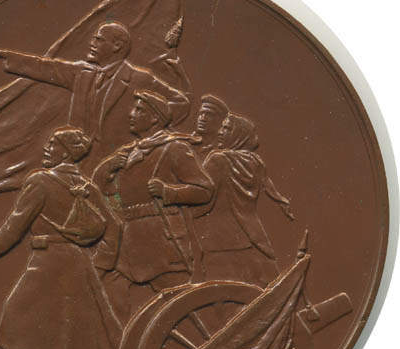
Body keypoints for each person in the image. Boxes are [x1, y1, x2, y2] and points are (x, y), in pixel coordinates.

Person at [0, 126, 122, 349]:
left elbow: (15, 226)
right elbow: (114, 228)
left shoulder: (41, 181)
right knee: (83, 320)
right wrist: (101, 266)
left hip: (47, 262)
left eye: (53, 144)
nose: (46, 148)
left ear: (65, 153)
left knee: (17, 311)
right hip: (79, 263)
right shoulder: (87, 186)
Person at [0, 22, 191, 170]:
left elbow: (181, 102)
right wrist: (6, 57)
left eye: (98, 40)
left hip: (120, 164)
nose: (91, 44)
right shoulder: (82, 74)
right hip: (79, 161)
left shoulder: (139, 78)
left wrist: (153, 121)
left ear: (117, 46)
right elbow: (45, 67)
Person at [93, 90, 213, 323]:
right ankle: (121, 342)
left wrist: (169, 192)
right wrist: (107, 170)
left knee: (181, 309)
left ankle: (205, 340)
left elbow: (205, 190)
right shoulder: (128, 152)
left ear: (155, 118)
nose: (131, 114)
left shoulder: (174, 148)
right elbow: (103, 193)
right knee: (108, 294)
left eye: (139, 110)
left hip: (162, 241)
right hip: (127, 241)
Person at [194, 114, 294, 287]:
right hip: (253, 237)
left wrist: (171, 197)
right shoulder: (255, 162)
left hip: (219, 242)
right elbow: (271, 191)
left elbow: (201, 197)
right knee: (266, 287)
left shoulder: (218, 159)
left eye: (226, 128)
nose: (220, 132)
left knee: (220, 292)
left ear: (238, 134)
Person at [192, 94, 230, 159]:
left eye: (209, 114)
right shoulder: (187, 144)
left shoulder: (225, 150)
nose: (202, 118)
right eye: (201, 113)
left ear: (221, 120)